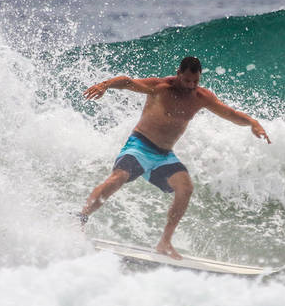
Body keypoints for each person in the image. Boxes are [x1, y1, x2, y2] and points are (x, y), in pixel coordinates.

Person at [79, 56, 270, 259]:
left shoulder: (201, 97)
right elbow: (127, 82)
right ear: (178, 73)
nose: (191, 85)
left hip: (164, 156)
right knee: (118, 178)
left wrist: (252, 122)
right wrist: (104, 85)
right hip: (140, 146)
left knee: (185, 188)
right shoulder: (160, 87)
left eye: (195, 81)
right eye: (187, 80)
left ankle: (165, 243)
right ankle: (80, 218)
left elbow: (230, 113)